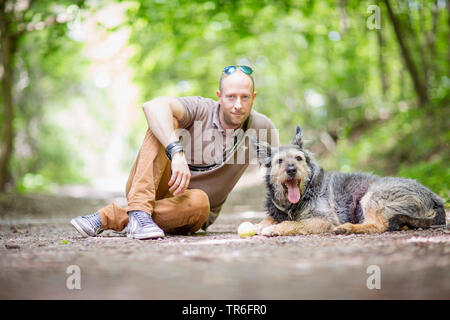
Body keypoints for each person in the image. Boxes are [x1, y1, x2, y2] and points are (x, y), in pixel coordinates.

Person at [70, 65, 279, 240]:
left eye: (244, 97)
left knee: (200, 201)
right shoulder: (201, 108)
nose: (237, 105)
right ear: (219, 97)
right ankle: (139, 211)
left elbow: (281, 172)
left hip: (190, 208)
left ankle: (114, 217)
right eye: (231, 97)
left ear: (253, 97)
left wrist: (287, 215)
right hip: (154, 187)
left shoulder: (262, 127)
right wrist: (176, 152)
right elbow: (152, 106)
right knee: (162, 121)